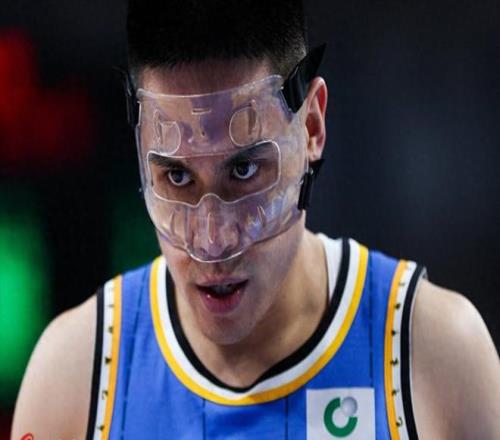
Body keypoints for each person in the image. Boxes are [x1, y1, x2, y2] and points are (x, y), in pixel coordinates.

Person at [11, 1, 500, 439]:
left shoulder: (437, 359)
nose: (213, 241)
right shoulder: (73, 379)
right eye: (177, 176)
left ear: (312, 128)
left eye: (244, 170)